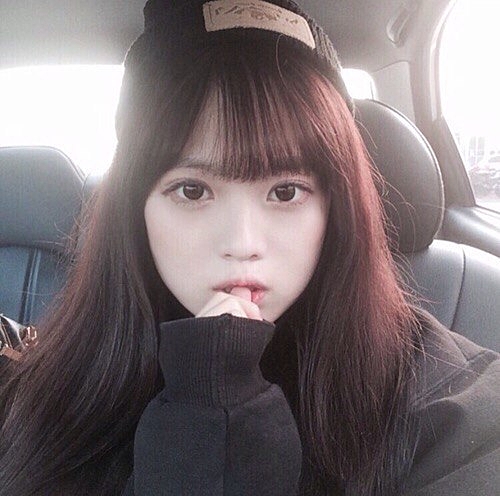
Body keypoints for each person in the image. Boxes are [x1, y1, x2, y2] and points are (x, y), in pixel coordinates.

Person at [0, 1, 499, 495]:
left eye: (285, 192)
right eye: (192, 190)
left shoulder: (448, 401)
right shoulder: (52, 384)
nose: (242, 244)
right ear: (136, 208)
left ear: (335, 207)